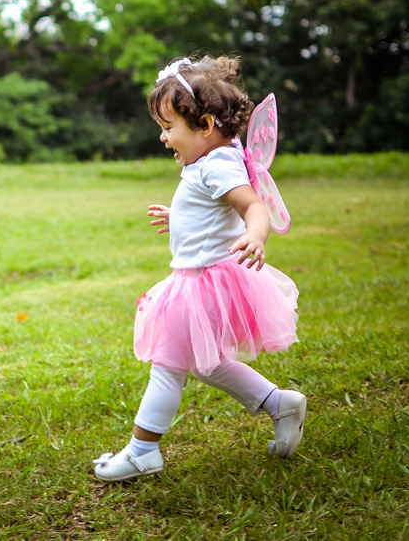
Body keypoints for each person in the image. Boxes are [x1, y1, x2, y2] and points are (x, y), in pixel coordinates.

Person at [93, 55, 305, 482]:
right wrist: (181, 217)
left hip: (204, 284)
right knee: (207, 364)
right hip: (199, 281)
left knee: (167, 367)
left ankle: (142, 451)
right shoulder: (209, 161)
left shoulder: (218, 164)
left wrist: (256, 235)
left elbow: (251, 206)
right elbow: (213, 211)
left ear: (205, 125)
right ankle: (278, 403)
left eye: (169, 127)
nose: (163, 137)